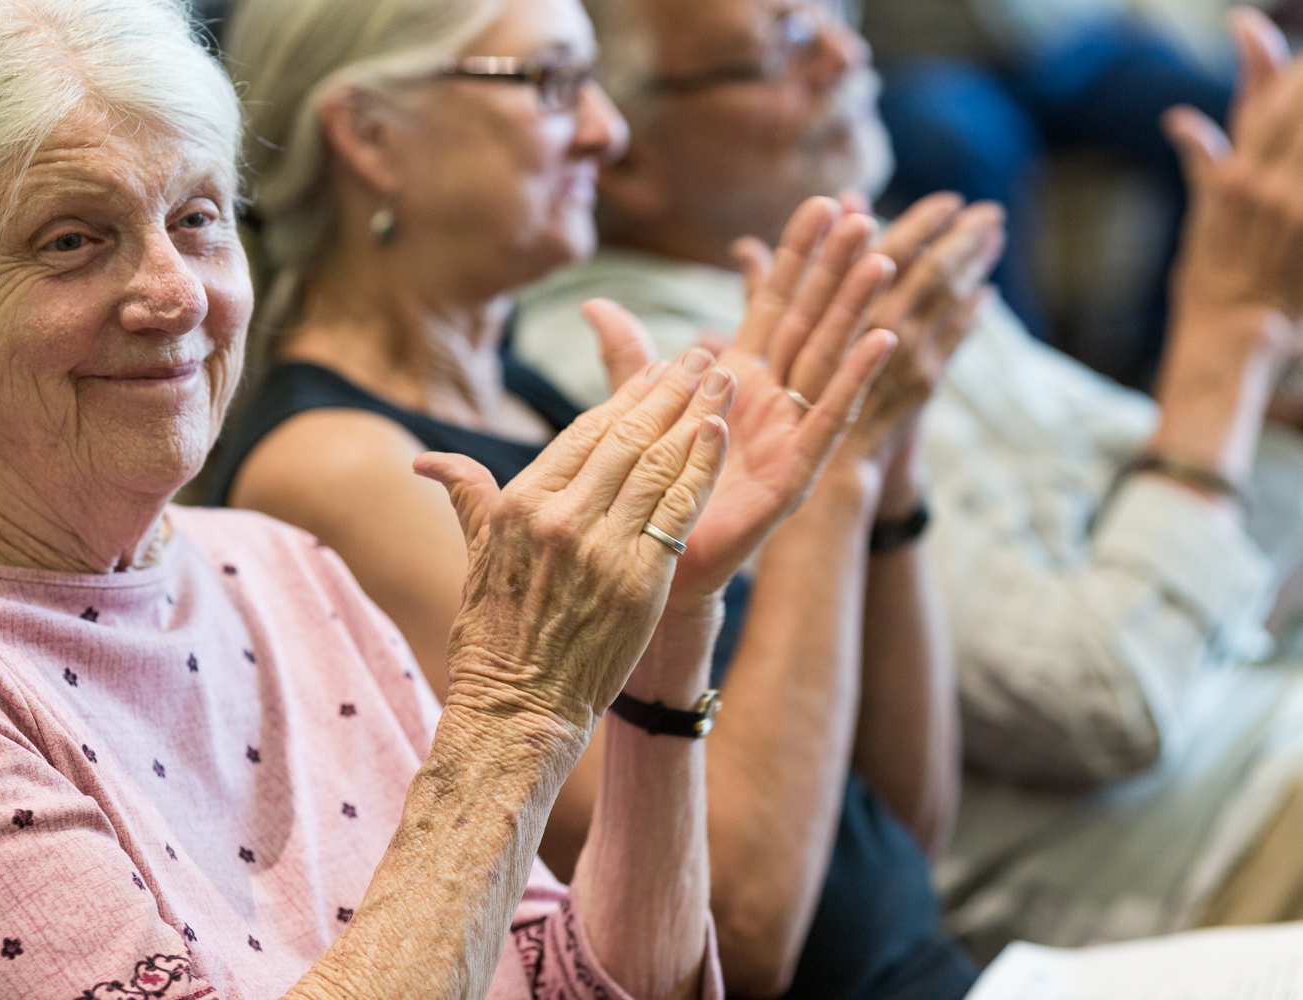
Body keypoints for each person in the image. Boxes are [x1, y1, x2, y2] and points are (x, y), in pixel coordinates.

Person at [0, 0, 876, 994]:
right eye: (72, 240)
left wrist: (669, 626)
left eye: (197, 218)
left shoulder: (279, 564)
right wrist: (512, 716)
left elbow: (584, 984)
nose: (175, 293)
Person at [208, 0, 993, 997]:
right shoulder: (340, 469)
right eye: (550, 83)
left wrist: (884, 465)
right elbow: (735, 931)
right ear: (370, 134)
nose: (606, 130)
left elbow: (898, 841)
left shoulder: (533, 394)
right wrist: (828, 486)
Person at [514, 0, 1303, 954]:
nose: (847, 52)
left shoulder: (868, 249)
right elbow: (1103, 693)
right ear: (623, 150)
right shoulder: (658, 367)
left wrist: (1245, 380)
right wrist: (1229, 331)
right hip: (1199, 854)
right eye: (782, 47)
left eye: (836, 16)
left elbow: (1220, 505)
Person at [859, 0, 1234, 381]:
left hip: (1072, 38)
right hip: (927, 56)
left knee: (1223, 111)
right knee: (956, 148)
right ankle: (1023, 378)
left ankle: (1170, 360)